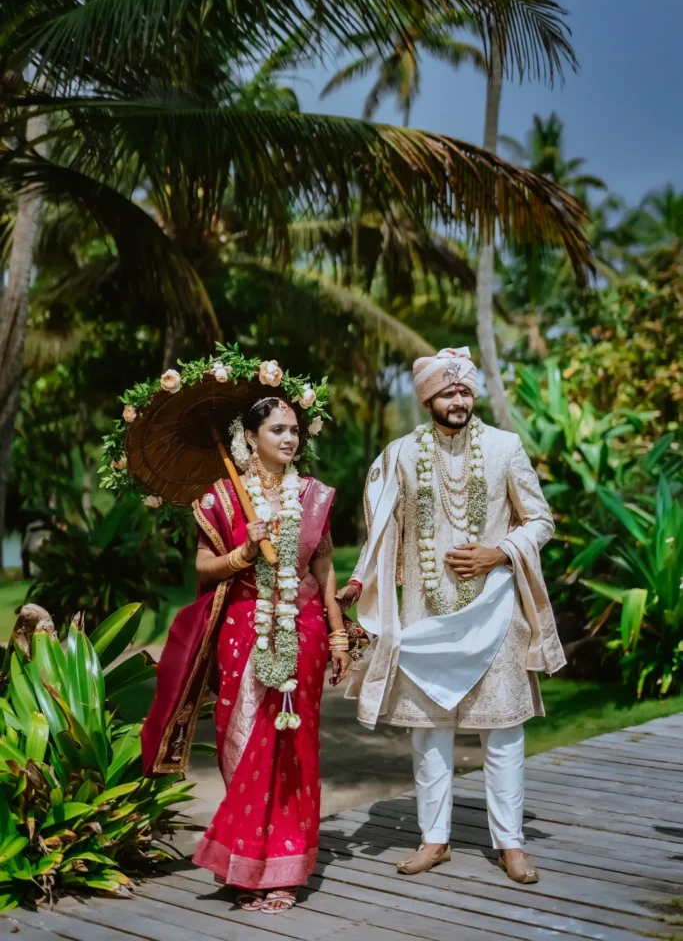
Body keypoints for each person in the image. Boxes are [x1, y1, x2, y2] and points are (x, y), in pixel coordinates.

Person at [338, 347, 565, 885]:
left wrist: (500, 551)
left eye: (465, 390)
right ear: (428, 400)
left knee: (504, 731)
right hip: (424, 615)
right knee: (429, 734)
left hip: (494, 612)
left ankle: (510, 845)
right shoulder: (397, 455)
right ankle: (433, 840)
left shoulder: (506, 448)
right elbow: (379, 531)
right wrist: (359, 580)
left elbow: (541, 520)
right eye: (448, 392)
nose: (459, 399)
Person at [142, 396, 350, 914]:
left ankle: (285, 867)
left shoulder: (313, 496)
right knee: (243, 740)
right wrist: (242, 553)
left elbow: (323, 572)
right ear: (250, 437)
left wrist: (339, 633)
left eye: (295, 430)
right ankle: (243, 862)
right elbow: (203, 569)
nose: (289, 439)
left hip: (302, 631)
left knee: (295, 747)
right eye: (277, 429)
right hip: (243, 628)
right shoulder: (221, 499)